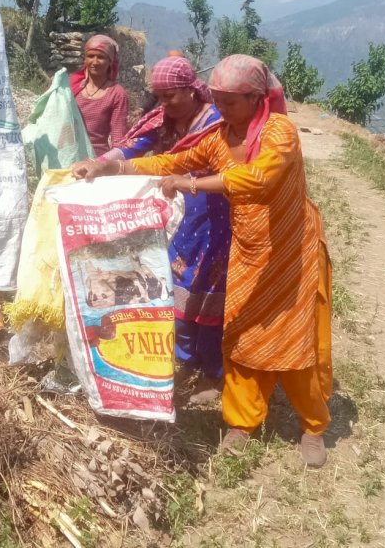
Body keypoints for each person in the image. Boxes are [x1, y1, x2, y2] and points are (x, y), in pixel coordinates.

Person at [74, 54, 332, 468]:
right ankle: (242, 422)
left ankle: (313, 425)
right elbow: (170, 161)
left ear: (254, 98)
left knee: (294, 340)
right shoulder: (217, 137)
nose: (222, 110)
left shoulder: (279, 132)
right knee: (243, 334)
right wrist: (108, 167)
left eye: (229, 102)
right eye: (218, 101)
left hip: (290, 252)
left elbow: (258, 179)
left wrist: (192, 183)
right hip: (250, 252)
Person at [74, 56, 232, 404]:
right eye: (159, 97)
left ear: (191, 91)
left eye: (171, 96)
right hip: (181, 218)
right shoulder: (164, 119)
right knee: (174, 285)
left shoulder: (216, 124)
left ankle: (214, 372)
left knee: (209, 288)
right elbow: (135, 148)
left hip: (217, 217)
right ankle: (185, 360)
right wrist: (99, 166)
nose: (164, 104)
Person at [70, 34, 129, 155]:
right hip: (67, 154)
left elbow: (118, 137)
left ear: (110, 61)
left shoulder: (116, 94)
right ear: (85, 59)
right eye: (91, 56)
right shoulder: (72, 86)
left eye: (101, 57)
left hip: (96, 158)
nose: (95, 62)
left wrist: (109, 164)